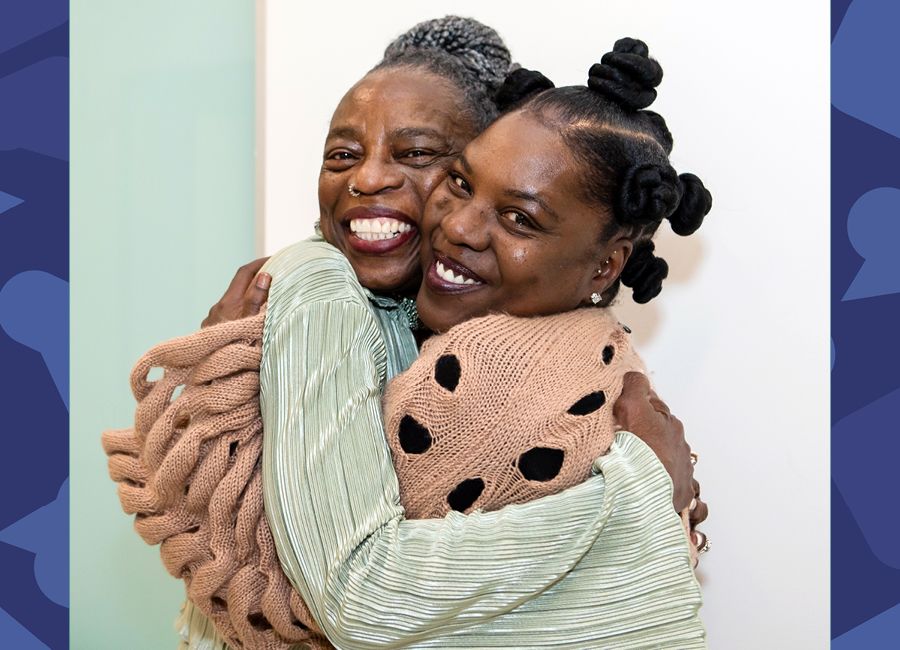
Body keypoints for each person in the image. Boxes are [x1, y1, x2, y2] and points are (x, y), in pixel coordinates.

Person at [106, 17, 706, 650]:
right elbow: (359, 594)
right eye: (342, 154)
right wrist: (645, 493)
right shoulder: (323, 290)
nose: (367, 180)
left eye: (419, 155)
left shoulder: (544, 341)